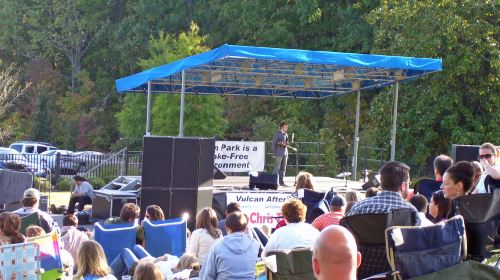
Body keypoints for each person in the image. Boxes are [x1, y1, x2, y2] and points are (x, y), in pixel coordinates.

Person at [347, 161, 418, 220]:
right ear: (403, 185)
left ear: (381, 182)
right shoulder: (411, 213)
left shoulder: (358, 208)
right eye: (409, 183)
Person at [200, 211, 260, 280]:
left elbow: (208, 276)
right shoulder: (255, 245)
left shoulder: (216, 247)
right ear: (244, 227)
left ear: (226, 228)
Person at [272, 121, 290, 186]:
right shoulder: (277, 134)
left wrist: (287, 143)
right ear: (281, 127)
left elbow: (287, 143)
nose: (287, 128)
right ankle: (273, 182)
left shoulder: (286, 134)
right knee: (277, 168)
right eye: (285, 127)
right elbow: (274, 144)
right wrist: (274, 153)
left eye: (287, 127)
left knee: (283, 168)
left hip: (285, 153)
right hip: (278, 153)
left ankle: (281, 182)